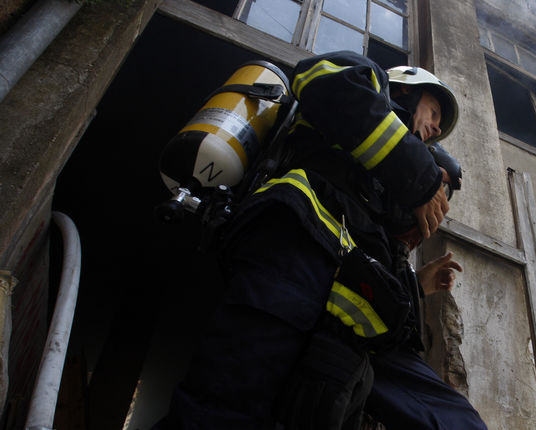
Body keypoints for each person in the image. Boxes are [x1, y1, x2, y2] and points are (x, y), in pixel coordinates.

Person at [156, 51, 487, 429]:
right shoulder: (367, 78)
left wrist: (415, 284)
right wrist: (421, 178)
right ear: (406, 89)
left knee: (454, 420)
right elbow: (324, 83)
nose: (434, 130)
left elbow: (370, 248)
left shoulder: (386, 181)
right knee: (226, 408)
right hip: (295, 249)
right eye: (433, 114)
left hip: (354, 309)